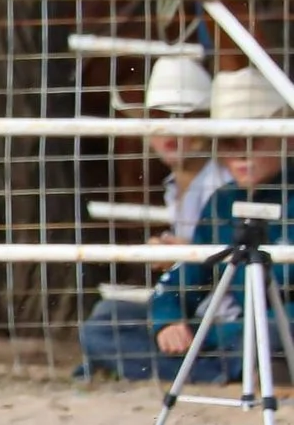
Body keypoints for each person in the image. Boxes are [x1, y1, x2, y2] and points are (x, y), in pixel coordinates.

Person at [85, 70, 294, 383]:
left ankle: (204, 368)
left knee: (278, 329)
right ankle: (233, 369)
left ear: (286, 139)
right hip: (235, 331)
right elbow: (186, 276)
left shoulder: (226, 195)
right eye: (228, 141)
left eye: (252, 139)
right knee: (106, 320)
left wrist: (205, 332)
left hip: (266, 327)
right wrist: (168, 319)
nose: (240, 151)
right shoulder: (223, 200)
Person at [78, 56, 228, 378]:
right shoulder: (179, 185)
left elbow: (236, 249)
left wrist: (185, 251)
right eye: (159, 119)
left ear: (206, 122)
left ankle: (210, 371)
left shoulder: (224, 183)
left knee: (102, 330)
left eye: (183, 119)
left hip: (224, 309)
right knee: (107, 316)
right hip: (196, 304)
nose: (169, 133)